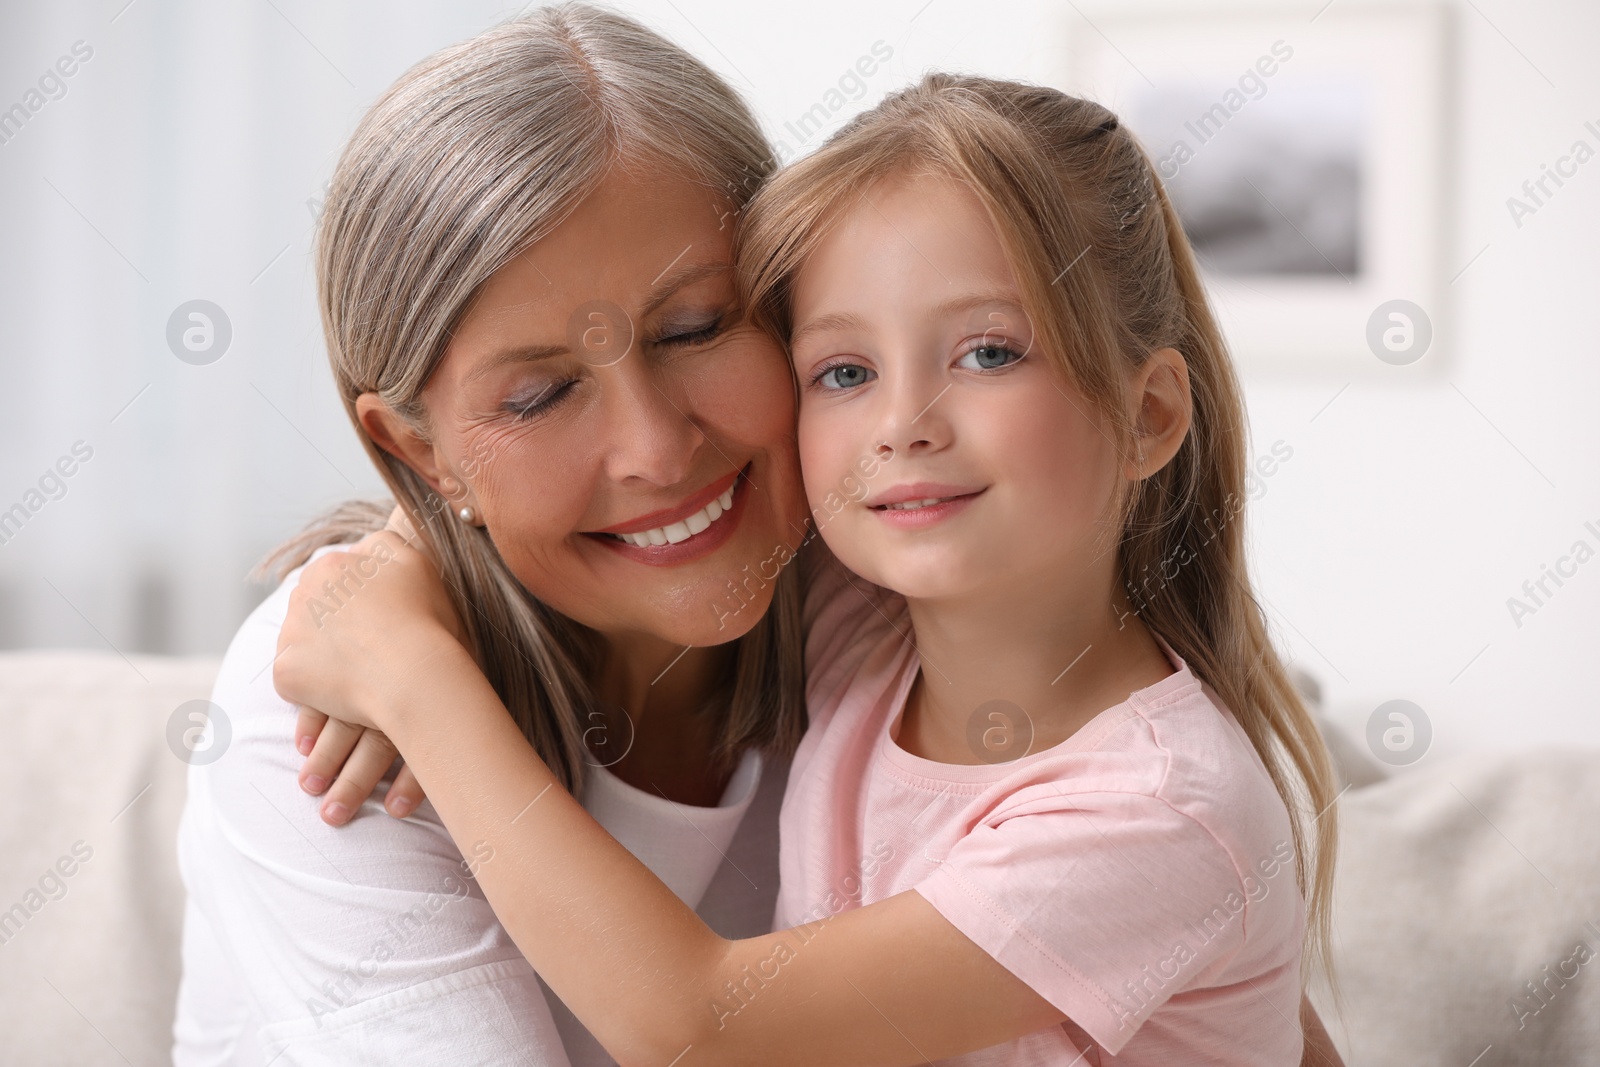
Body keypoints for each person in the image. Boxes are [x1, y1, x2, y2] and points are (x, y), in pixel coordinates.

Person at [274, 73, 1346, 1064]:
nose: (902, 424)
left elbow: (695, 1021)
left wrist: (411, 676)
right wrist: (409, 545)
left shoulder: (1157, 808)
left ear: (1149, 412)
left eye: (987, 352)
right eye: (843, 369)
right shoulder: (870, 632)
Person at [170, 7, 812, 1064]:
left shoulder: (882, 609)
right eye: (541, 394)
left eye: (694, 328)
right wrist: (420, 685)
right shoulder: (325, 705)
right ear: (420, 455)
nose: (654, 447)